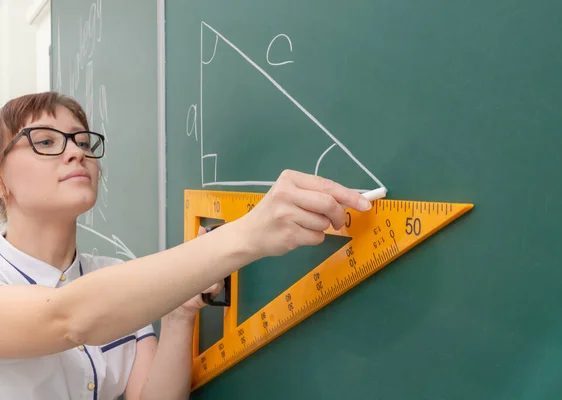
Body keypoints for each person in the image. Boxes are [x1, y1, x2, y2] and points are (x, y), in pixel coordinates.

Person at [0, 92, 372, 400]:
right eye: (46, 141)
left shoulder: (116, 276)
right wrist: (248, 234)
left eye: (83, 141)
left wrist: (179, 314)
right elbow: (68, 318)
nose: (76, 152)